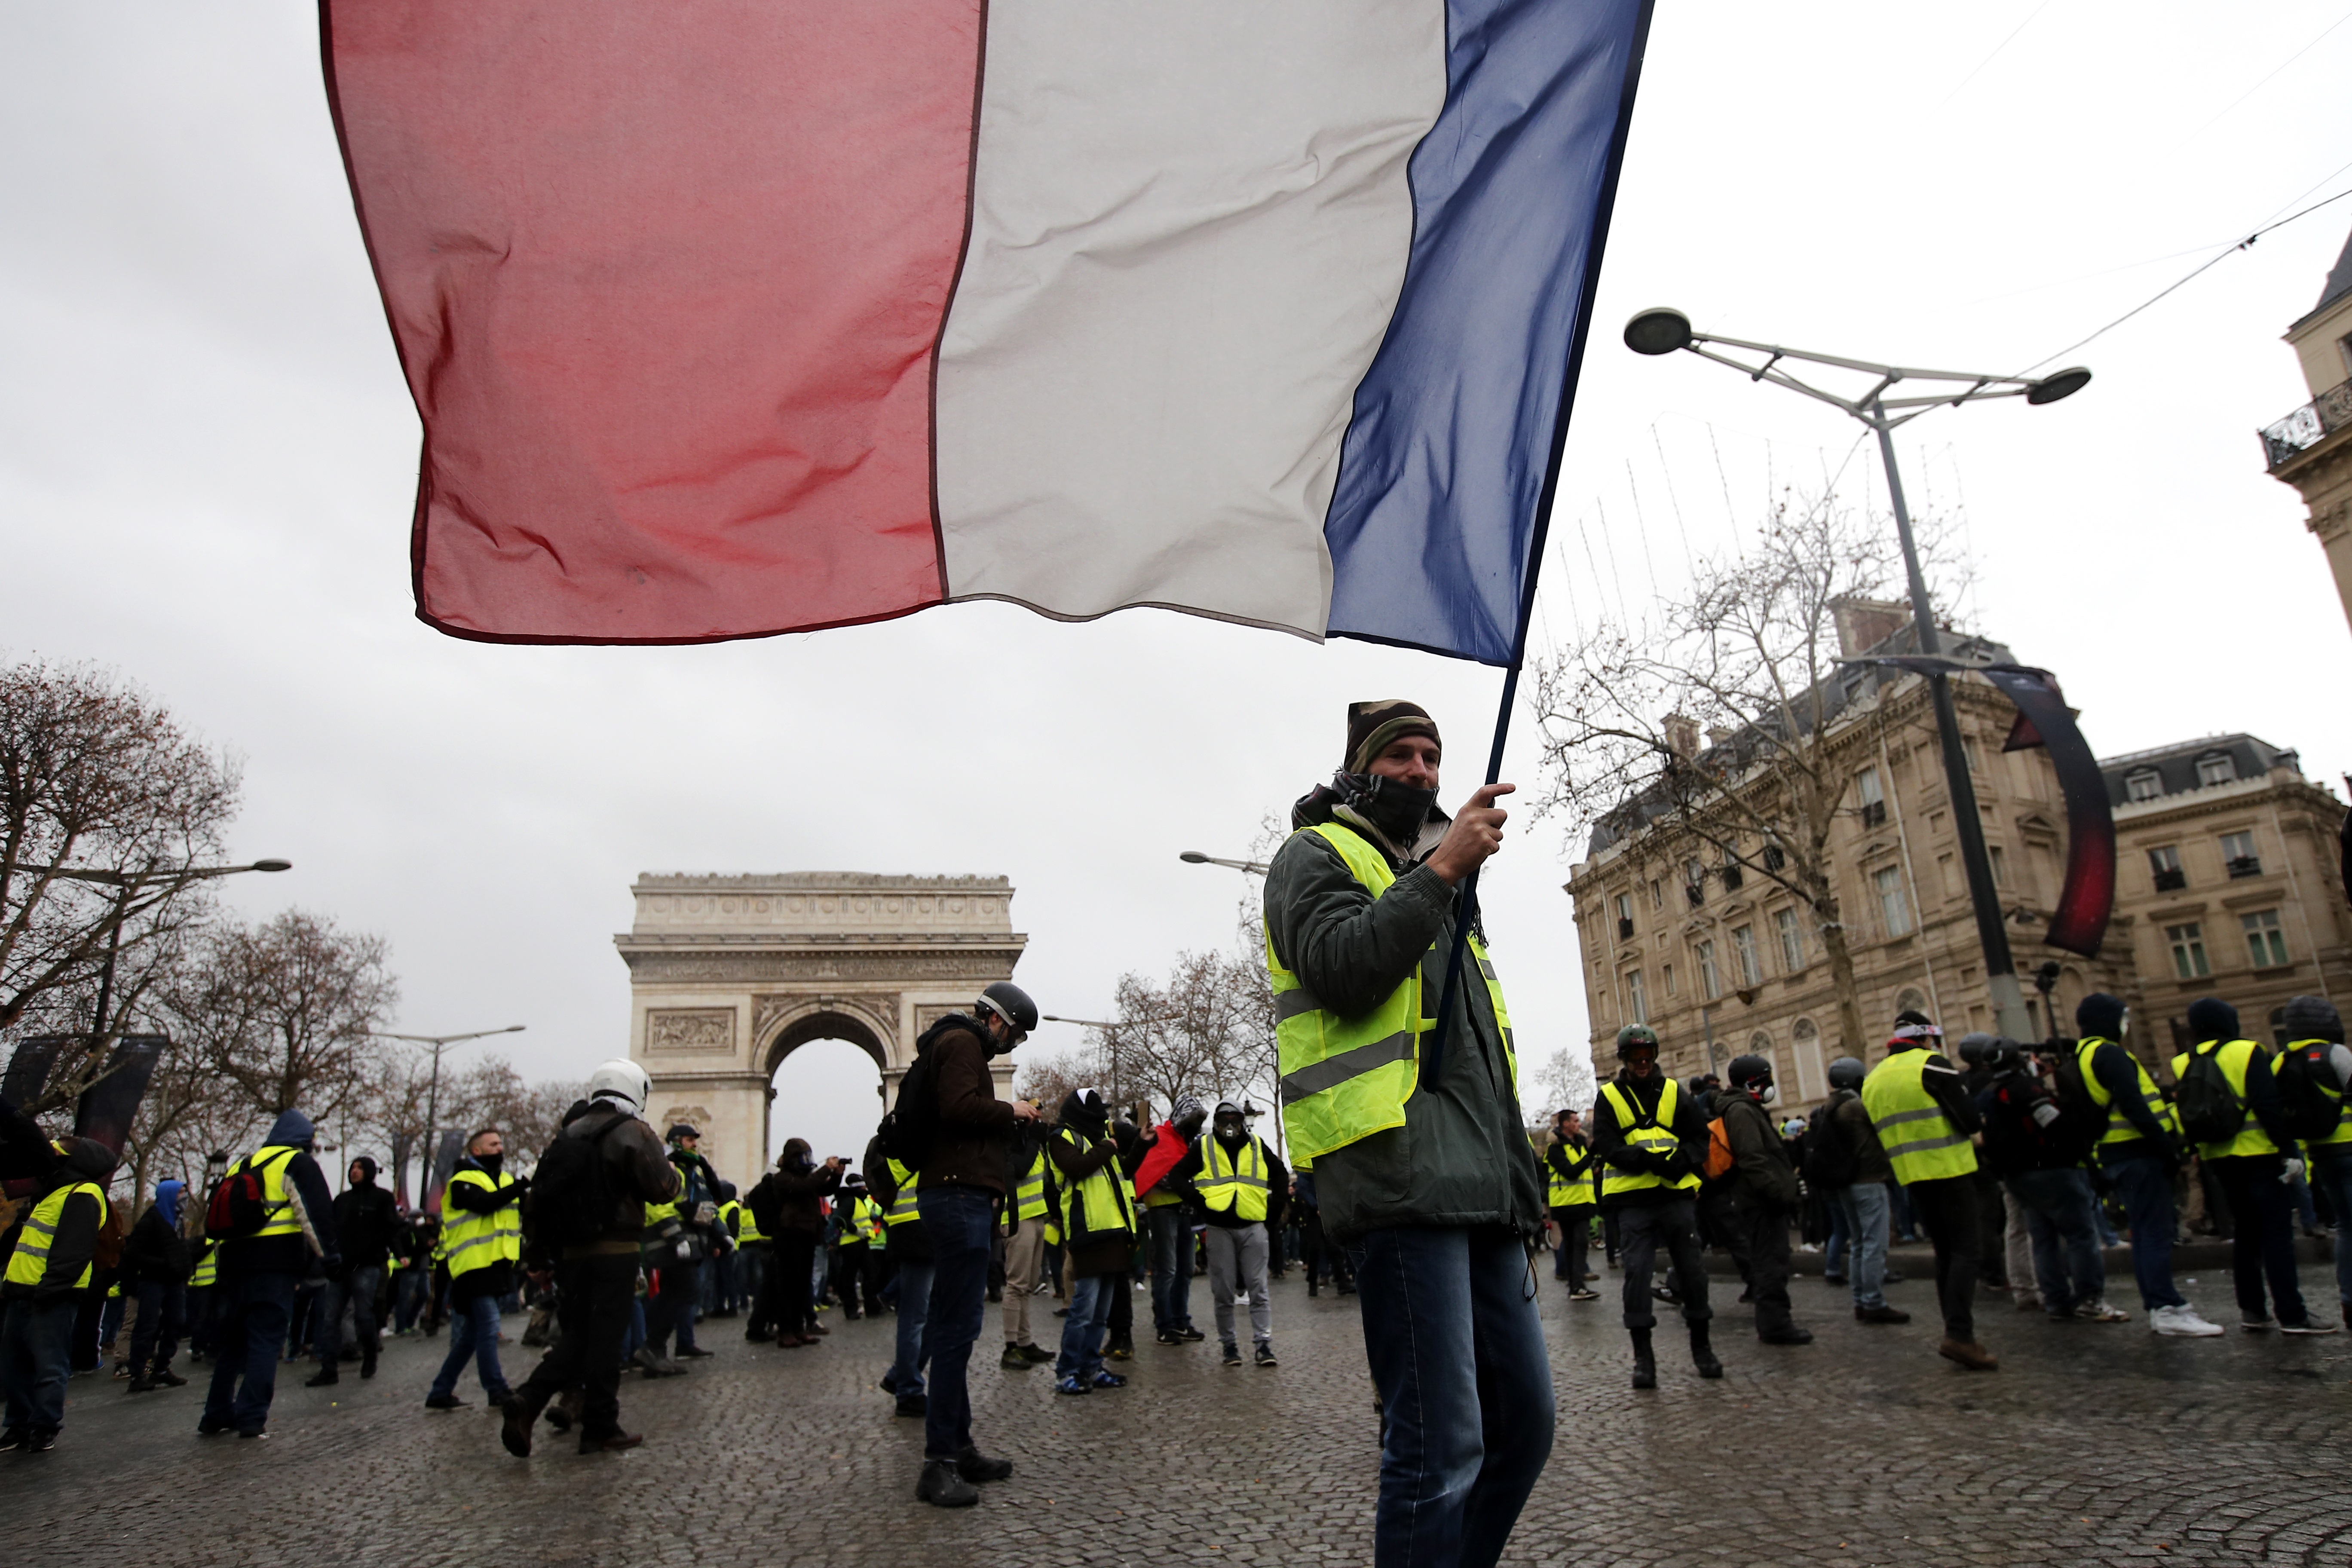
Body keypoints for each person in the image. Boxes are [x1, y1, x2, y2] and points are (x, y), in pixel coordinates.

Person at [1262, 699, 1551, 1568]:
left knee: (1525, 1429)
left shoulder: (1443, 880)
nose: (1423, 772)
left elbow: (1481, 1054)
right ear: (1359, 768)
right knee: (1440, 1446)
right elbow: (1347, 972)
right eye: (1401, 756)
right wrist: (1444, 871)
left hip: (1485, 1187)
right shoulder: (1310, 856)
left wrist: (1525, 1186)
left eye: (1432, 756)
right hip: (1397, 1174)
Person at [502, 1063, 680, 1456]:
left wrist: (537, 1255)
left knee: (579, 1336)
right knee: (606, 1341)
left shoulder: (567, 1134)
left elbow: (538, 1199)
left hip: (571, 1255)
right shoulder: (633, 1131)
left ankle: (528, 1401)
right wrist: (677, 1175)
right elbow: (663, 1188)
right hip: (614, 1252)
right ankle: (600, 1425)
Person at [910, 980, 1039, 1508]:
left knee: (952, 1328)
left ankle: (959, 1447)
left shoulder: (951, 1042)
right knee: (955, 1333)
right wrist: (1014, 1113)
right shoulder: (963, 1043)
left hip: (956, 1194)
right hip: (957, 1195)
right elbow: (961, 1109)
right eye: (1015, 1034)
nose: (1013, 1044)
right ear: (997, 1019)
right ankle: (939, 1461)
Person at [2171, 996, 2336, 1334]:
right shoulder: (2247, 1052)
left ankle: (2252, 1310)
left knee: (2245, 1234)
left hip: (2219, 1159)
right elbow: (2267, 1106)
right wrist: (2289, 1150)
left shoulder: (2182, 1061)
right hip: (2260, 1155)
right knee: (2277, 1235)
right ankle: (2292, 1313)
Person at [1861, 1012, 1994, 1370]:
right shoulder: (1932, 1065)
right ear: (1926, 1039)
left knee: (1945, 1255)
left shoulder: (1873, 1080)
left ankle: (1957, 1332)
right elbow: (1968, 1119)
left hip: (1912, 1175)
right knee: (1967, 1251)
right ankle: (1960, 1335)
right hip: (1950, 1167)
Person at [1591, 1024, 1718, 1386]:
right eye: (1635, 1058)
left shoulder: (1677, 1092)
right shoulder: (1609, 1097)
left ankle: (1703, 1348)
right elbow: (1607, 1144)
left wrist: (1680, 1162)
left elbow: (1699, 1138)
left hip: (1675, 1195)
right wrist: (1646, 1161)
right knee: (1637, 1276)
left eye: (1647, 1057)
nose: (1642, 1064)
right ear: (1625, 1060)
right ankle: (1643, 1359)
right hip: (1634, 1202)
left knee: (1693, 1274)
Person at [201, 1109, 340, 1438]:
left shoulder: (242, 1165)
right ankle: (252, 1417)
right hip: (274, 1265)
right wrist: (332, 1259)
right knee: (266, 1340)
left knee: (233, 1344)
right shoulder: (297, 1164)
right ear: (304, 1140)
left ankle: (215, 1414)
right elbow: (314, 1215)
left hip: (233, 1266)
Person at [1976, 1040, 2124, 1324]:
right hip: (2051, 1169)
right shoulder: (2027, 1089)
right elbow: (2056, 1126)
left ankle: (2055, 1300)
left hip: (2015, 1176)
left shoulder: (1988, 1095)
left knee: (2042, 1238)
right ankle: (2090, 1298)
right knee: (2080, 1235)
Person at [1, 1135, 116, 1452]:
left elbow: (73, 1252)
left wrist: (49, 1290)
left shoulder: (83, 1194)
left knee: (49, 1365)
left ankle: (44, 1426)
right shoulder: (53, 1194)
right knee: (14, 1366)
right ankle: (19, 1424)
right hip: (22, 1294)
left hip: (50, 1296)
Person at [1176, 1099, 1289, 1367]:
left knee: (1258, 1288)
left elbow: (1281, 1175)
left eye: (1234, 1120)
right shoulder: (1203, 1146)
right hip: (1219, 1229)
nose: (1229, 1125)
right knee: (1224, 1292)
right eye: (1224, 1119)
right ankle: (1230, 1346)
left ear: (1241, 1122)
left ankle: (1263, 1345)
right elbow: (1178, 1176)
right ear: (1215, 1122)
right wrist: (1198, 1202)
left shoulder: (1257, 1145)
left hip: (1253, 1227)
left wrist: (1273, 1211)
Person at [1713, 1054, 1811, 1345]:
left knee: (1770, 1260)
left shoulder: (1745, 1108)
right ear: (1753, 1081)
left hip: (1758, 1199)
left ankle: (1775, 1322)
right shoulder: (1742, 1110)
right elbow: (1753, 1158)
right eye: (1766, 1078)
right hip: (1760, 1201)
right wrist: (1776, 1193)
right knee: (1771, 1263)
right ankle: (1776, 1325)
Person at [1046, 1086, 1137, 1395]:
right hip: (1087, 1232)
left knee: (1100, 1314)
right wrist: (1109, 1146)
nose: (1103, 1117)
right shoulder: (1061, 1137)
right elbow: (1076, 1167)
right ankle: (1067, 1371)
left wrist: (1141, 1146)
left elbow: (1123, 1175)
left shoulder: (1098, 1142)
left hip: (1112, 1231)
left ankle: (1090, 1367)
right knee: (1083, 1311)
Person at [427, 1128, 526, 1409]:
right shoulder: (462, 1181)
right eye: (493, 1144)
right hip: (472, 1266)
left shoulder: (505, 1180)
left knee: (471, 1334)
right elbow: (484, 1205)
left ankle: (440, 1391)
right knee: (490, 1326)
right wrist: (522, 1185)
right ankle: (496, 1388)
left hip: (496, 1264)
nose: (500, 1148)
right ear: (477, 1151)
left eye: (501, 1143)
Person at [1815, 1057, 1907, 1325]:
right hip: (1868, 1179)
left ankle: (1860, 1300)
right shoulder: (1856, 1106)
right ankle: (1874, 1302)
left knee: (1858, 1244)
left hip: (1847, 1183)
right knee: (1874, 1245)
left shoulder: (1831, 1105)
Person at [2279, 995, 2352, 1331]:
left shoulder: (2281, 1061)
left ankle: (2350, 1301)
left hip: (2319, 1155)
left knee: (2346, 1229)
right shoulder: (2334, 1053)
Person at [310, 1156, 400, 1385]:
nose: (354, 1171)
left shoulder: (382, 1198)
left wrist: (399, 1253)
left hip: (367, 1265)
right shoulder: (342, 1200)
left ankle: (370, 1356)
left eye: (359, 1168)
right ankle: (329, 1368)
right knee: (330, 1319)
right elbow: (330, 1230)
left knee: (363, 1315)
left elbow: (391, 1229)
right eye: (352, 1168)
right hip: (341, 1268)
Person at [748, 1141, 840, 1349]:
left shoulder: (805, 1178)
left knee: (802, 1286)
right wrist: (826, 1168)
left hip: (807, 1236)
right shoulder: (782, 1179)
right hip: (788, 1237)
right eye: (803, 1157)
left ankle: (800, 1329)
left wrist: (836, 1175)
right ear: (793, 1158)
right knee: (787, 1287)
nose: (807, 1162)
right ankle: (786, 1331)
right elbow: (805, 1186)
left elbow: (824, 1189)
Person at [867, 1134, 934, 1417]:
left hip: (909, 1226)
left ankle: (901, 1376)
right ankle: (908, 1389)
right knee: (917, 1318)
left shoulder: (888, 1140)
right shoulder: (914, 1137)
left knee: (927, 1316)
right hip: (920, 1225)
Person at [1134, 1097, 1207, 1344]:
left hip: (1184, 1210)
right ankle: (1165, 1324)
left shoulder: (1186, 1142)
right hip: (1163, 1206)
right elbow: (1155, 1171)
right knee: (1168, 1269)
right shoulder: (1163, 1138)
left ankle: (1180, 1320)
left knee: (1185, 1269)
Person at [121, 1178, 192, 1393]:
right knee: (147, 1326)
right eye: (181, 1193)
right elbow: (133, 1253)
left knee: (176, 1322)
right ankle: (138, 1374)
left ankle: (162, 1368)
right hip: (153, 1281)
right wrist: (163, 1264)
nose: (185, 1197)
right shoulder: (151, 1220)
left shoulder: (178, 1221)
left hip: (174, 1281)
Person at [997, 1118, 1057, 1369]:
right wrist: (1034, 1141)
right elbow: (1019, 1169)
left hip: (1036, 1217)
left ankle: (1024, 1342)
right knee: (1017, 1285)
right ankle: (1011, 1347)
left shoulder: (1034, 1146)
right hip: (1017, 1219)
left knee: (1029, 1285)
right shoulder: (1007, 1144)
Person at [1543, 1110, 1598, 1301]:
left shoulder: (1581, 1144)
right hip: (1566, 1203)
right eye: (1575, 1121)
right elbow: (1571, 1172)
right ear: (1565, 1124)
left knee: (1576, 1244)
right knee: (1578, 1243)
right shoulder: (1555, 1149)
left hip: (1583, 1201)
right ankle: (1576, 1286)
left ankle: (1576, 1285)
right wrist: (1591, 1156)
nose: (1579, 1124)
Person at [833, 1172, 885, 1320]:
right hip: (851, 1243)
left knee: (870, 1275)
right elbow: (839, 1218)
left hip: (861, 1243)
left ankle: (871, 1307)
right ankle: (852, 1310)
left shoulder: (858, 1200)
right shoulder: (851, 1201)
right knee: (851, 1278)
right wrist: (856, 1231)